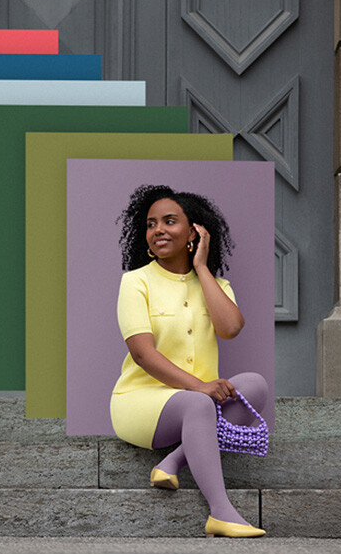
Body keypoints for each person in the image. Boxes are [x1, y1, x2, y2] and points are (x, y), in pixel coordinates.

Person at [109, 184, 268, 538]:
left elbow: (230, 328)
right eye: (151, 224)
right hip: (140, 401)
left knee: (254, 386)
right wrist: (200, 387)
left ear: (195, 231)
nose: (158, 230)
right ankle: (221, 513)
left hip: (197, 399)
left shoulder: (217, 284)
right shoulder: (136, 282)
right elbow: (142, 354)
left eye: (169, 221)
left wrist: (201, 268)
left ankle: (173, 461)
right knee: (199, 403)